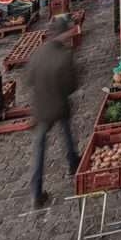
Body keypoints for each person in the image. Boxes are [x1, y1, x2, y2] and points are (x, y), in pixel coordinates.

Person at [26, 16, 80, 208]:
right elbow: (71, 86)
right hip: (58, 103)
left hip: (41, 106)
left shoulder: (38, 52)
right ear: (65, 33)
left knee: (39, 146)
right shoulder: (65, 55)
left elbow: (28, 79)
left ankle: (35, 192)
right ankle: (73, 163)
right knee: (66, 132)